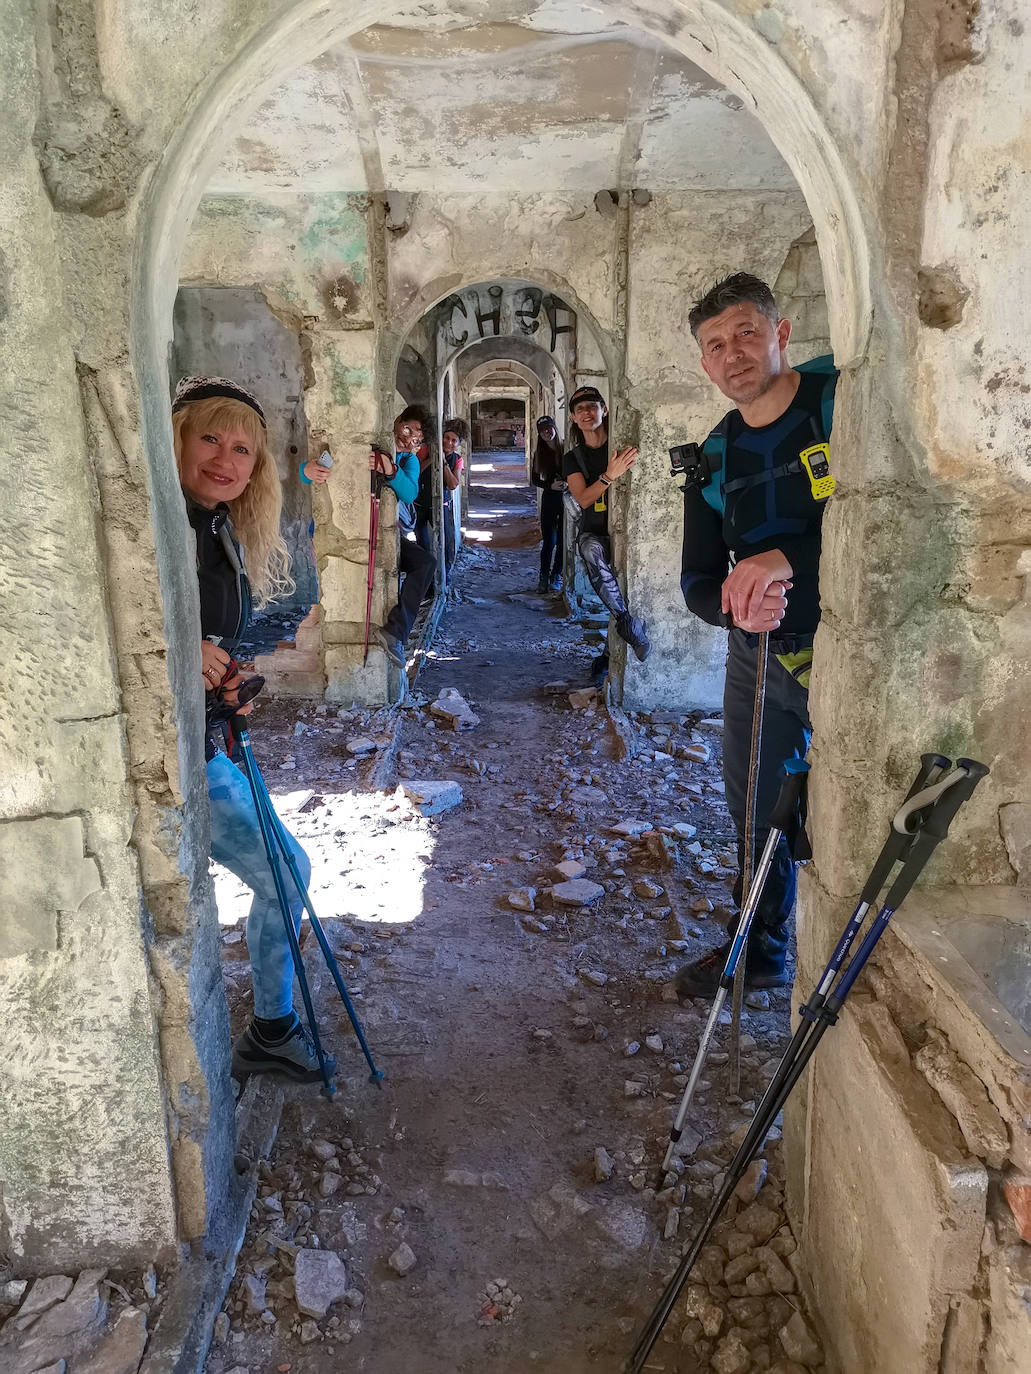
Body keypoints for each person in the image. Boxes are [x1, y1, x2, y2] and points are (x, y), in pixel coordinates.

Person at [675, 273, 838, 996]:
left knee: (849, 801)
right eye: (714, 345)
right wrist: (733, 611)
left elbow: (896, 521)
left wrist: (788, 561)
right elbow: (697, 581)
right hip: (760, 650)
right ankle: (760, 944)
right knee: (750, 800)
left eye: (745, 332)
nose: (731, 353)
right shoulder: (713, 457)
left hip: (847, 645)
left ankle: (845, 958)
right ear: (705, 365)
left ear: (780, 334)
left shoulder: (839, 406)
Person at [171, 375, 332, 1083]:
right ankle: (271, 1030)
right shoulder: (158, 527)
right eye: (209, 436)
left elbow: (213, 638)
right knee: (284, 873)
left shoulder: (215, 529)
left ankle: (273, 1023)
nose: (226, 458)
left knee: (284, 869)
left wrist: (227, 675)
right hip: (176, 758)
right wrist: (183, 651)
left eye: (242, 447)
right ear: (173, 436)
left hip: (208, 737)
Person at [562, 385, 650, 664]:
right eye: (580, 410)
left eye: (592, 406)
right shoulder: (572, 458)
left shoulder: (621, 445)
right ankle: (627, 625)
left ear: (605, 409)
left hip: (631, 528)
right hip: (594, 530)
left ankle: (608, 653)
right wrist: (609, 476)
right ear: (574, 418)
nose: (587, 413)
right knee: (589, 549)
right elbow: (585, 499)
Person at [375, 409, 435, 669]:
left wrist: (390, 469)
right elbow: (310, 471)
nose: (410, 439)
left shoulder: (408, 461)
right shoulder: (371, 444)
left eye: (418, 439)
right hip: (353, 528)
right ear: (397, 422)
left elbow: (409, 493)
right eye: (408, 429)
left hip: (389, 533)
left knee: (425, 563)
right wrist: (308, 471)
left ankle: (395, 631)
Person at [531, 414, 565, 593]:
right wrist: (550, 485)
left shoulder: (565, 449)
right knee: (549, 541)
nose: (547, 432)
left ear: (554, 428)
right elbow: (535, 480)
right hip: (550, 499)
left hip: (566, 499)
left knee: (562, 540)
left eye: (549, 428)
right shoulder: (540, 454)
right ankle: (543, 577)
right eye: (543, 431)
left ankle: (556, 575)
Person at [440, 417, 466, 574]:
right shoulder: (425, 451)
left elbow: (453, 484)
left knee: (446, 545)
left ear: (458, 444)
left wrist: (443, 463)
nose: (449, 443)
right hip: (419, 505)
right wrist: (433, 457)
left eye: (453, 440)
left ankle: (446, 577)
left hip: (443, 505)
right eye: (446, 438)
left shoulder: (457, 460)